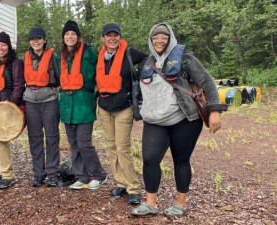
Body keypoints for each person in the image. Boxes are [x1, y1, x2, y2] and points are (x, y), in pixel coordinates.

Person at [131, 23, 226, 217]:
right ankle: (150, 203)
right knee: (150, 159)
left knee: (181, 160)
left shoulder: (185, 58)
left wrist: (215, 110)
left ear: (170, 39)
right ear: (150, 40)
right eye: (155, 37)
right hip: (155, 120)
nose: (159, 41)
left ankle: (180, 203)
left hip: (185, 119)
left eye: (164, 37)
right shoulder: (146, 63)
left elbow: (207, 82)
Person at [96, 23, 147, 204]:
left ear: (120, 37)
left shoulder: (129, 53)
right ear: (103, 38)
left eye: (115, 35)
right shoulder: (100, 56)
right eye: (108, 35)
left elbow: (148, 59)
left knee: (122, 147)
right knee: (111, 147)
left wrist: (139, 75)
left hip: (123, 107)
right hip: (104, 107)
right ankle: (120, 183)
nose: (112, 38)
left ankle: (133, 188)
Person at [58, 20, 107, 190]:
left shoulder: (89, 52)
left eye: (73, 34)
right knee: (73, 143)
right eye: (67, 34)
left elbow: (102, 69)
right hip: (66, 103)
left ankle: (99, 174)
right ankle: (81, 176)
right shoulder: (61, 56)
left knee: (84, 142)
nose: (70, 37)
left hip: (83, 103)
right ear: (63, 37)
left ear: (78, 37)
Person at [23, 28, 61, 187]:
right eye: (32, 39)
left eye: (39, 38)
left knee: (52, 137)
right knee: (35, 139)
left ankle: (53, 173)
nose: (35, 41)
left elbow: (60, 77)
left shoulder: (53, 56)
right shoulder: (25, 57)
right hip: (31, 100)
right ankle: (39, 174)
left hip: (49, 99)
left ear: (44, 40)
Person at [0, 32, 25, 189]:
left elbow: (18, 84)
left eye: (3, 45)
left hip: (6, 104)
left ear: (8, 46)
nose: (0, 48)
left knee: (2, 138)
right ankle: (3, 172)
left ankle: (8, 175)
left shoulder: (15, 63)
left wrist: (11, 105)